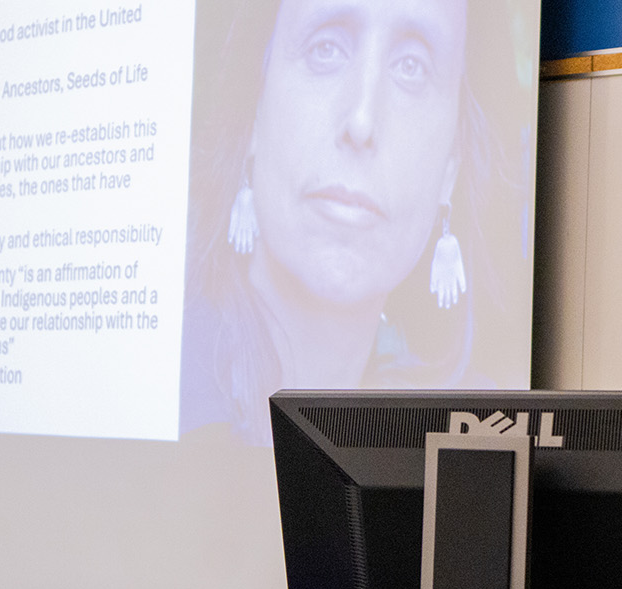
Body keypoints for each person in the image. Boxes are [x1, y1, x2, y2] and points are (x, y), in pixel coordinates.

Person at [180, 0, 531, 444]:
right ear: (252, 111)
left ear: (451, 169)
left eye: (412, 67)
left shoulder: (462, 426)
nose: (362, 120)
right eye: (325, 49)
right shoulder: (161, 386)